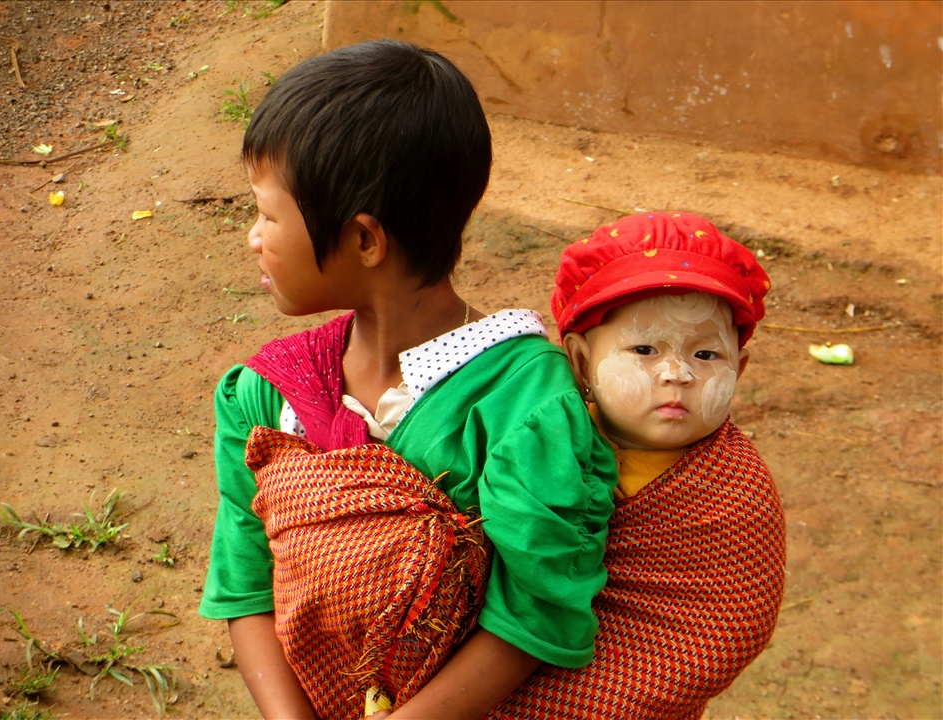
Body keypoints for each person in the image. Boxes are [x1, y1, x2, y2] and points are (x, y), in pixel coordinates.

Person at [197, 40, 617, 720]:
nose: (253, 236)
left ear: (365, 241)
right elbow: (246, 586)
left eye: (268, 215)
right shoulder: (266, 396)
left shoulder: (521, 406)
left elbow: (535, 613)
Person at [483, 211, 787, 719]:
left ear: (741, 368)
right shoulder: (534, 440)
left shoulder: (735, 495)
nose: (677, 373)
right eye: (644, 348)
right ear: (579, 362)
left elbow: (722, 632)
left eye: (708, 354)